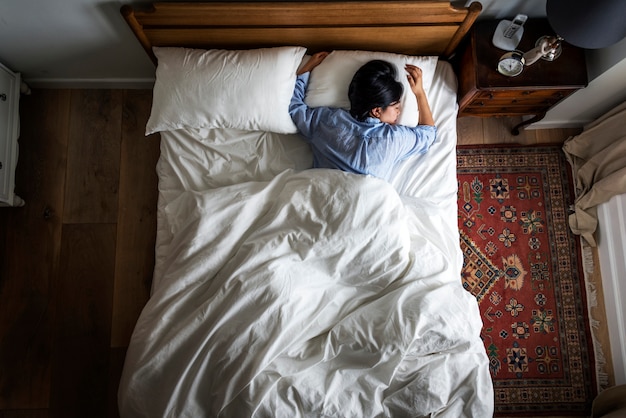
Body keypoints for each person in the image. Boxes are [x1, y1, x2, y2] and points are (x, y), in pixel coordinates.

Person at [289, 52, 436, 182]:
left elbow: (295, 108)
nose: (400, 111)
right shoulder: (394, 138)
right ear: (377, 111)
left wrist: (307, 68)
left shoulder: (325, 120)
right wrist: (419, 93)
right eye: (396, 107)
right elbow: (428, 134)